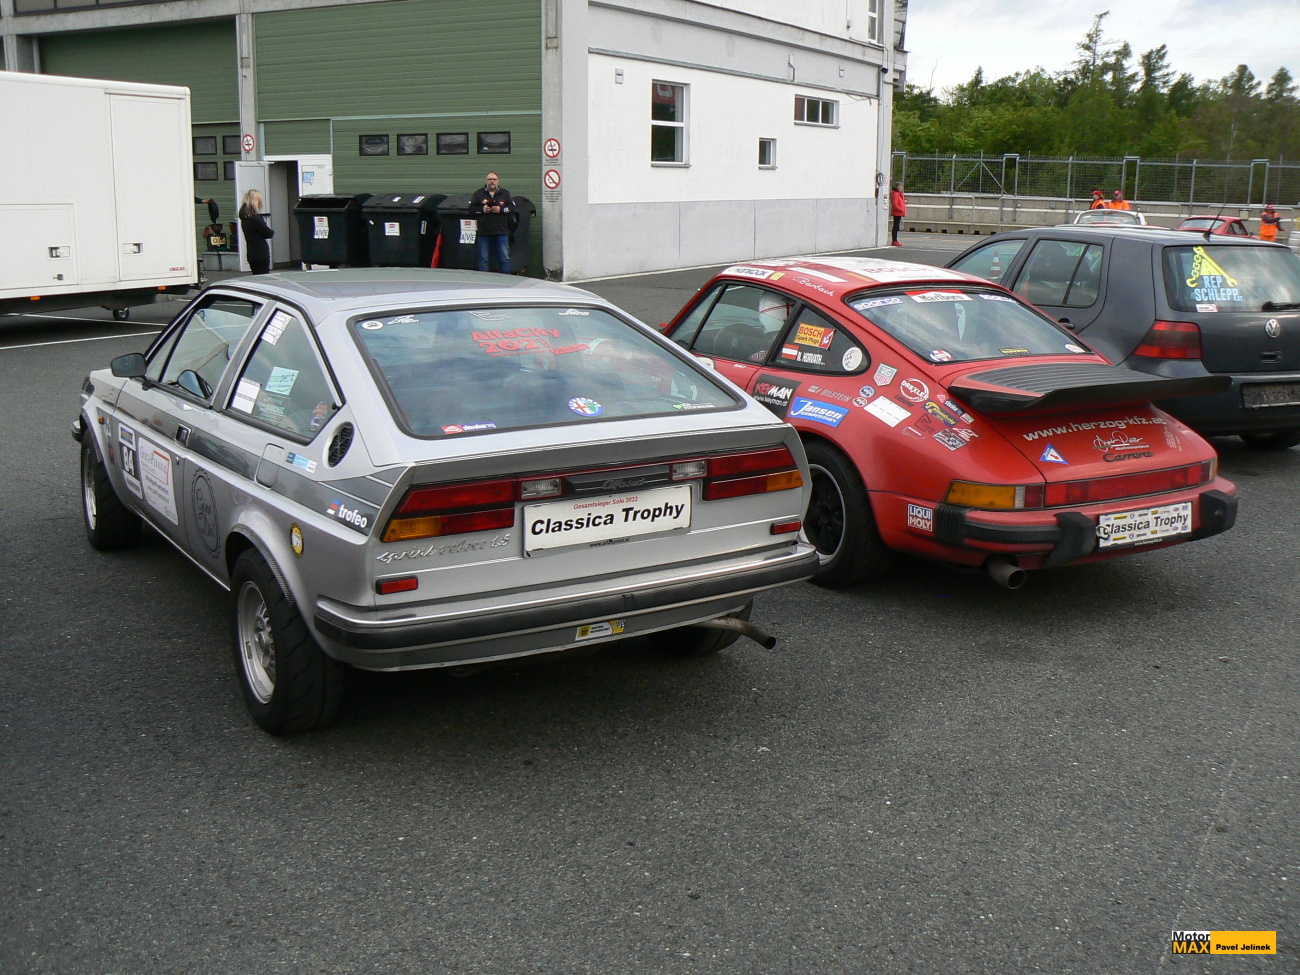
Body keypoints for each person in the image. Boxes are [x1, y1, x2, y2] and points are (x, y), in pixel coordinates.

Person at [470, 172, 514, 273]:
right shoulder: (479, 194)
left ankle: (506, 279)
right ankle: (484, 280)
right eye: (490, 179)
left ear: (498, 181)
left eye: (494, 179)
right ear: (486, 181)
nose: (492, 181)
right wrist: (482, 210)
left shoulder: (505, 193)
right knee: (483, 259)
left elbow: (512, 209)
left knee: (504, 258)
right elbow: (471, 209)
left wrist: (501, 209)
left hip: (501, 232)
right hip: (484, 232)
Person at [238, 189, 274, 274]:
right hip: (261, 252)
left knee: (256, 275)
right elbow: (269, 233)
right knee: (263, 276)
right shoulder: (255, 218)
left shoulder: (244, 218)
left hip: (251, 252)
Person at [889, 182, 906, 246]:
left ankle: (895, 240)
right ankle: (894, 240)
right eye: (901, 186)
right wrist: (901, 209)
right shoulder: (895, 194)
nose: (902, 188)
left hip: (899, 213)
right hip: (897, 212)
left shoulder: (899, 194)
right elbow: (895, 204)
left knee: (896, 227)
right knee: (895, 227)